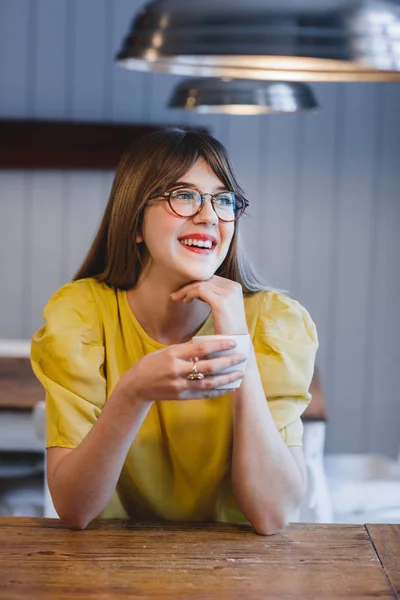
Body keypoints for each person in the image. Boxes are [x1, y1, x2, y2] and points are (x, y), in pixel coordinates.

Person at [31, 127, 318, 534]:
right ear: (133, 222)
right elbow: (75, 509)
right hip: (110, 569)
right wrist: (133, 392)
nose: (208, 216)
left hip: (238, 574)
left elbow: (272, 515)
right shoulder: (81, 314)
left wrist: (237, 339)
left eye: (223, 200)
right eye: (183, 196)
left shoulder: (275, 321)